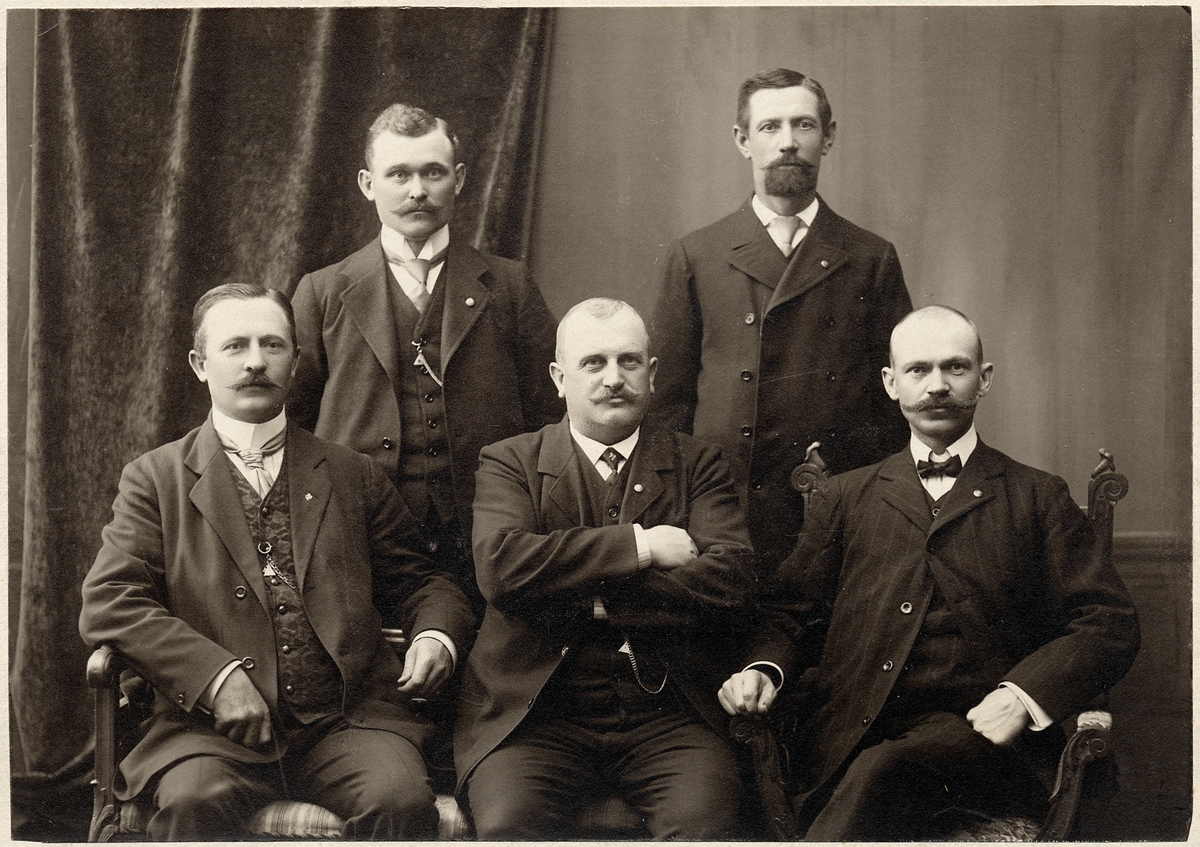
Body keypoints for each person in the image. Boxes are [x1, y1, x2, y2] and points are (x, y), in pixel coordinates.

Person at [718, 305, 1140, 840]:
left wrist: (1023, 695)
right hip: (852, 735)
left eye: (955, 367)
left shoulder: (1038, 496)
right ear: (891, 383)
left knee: (884, 771)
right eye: (918, 369)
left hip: (989, 746)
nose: (937, 385)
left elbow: (1107, 621)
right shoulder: (844, 496)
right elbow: (789, 613)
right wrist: (763, 669)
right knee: (874, 769)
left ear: (984, 379)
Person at [79, 284, 476, 840]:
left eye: (272, 345)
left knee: (399, 801)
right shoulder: (155, 479)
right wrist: (215, 678)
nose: (255, 362)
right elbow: (111, 600)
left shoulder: (352, 473)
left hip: (347, 722)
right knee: (195, 800)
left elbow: (422, 581)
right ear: (199, 364)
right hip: (207, 731)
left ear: (295, 361)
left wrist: (436, 634)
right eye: (235, 346)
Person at [456, 298, 756, 839]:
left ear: (652, 373)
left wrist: (587, 597)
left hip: (668, 718)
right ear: (559, 378)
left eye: (629, 361)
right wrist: (640, 545)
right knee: (509, 824)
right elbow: (501, 568)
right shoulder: (509, 461)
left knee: (704, 826)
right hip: (535, 719)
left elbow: (730, 578)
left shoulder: (699, 463)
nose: (614, 378)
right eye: (593, 363)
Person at [290, 103, 561, 613]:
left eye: (433, 172)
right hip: (360, 533)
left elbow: (550, 417)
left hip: (486, 532)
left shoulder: (509, 285)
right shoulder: (322, 293)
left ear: (459, 179)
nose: (417, 190)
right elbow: (292, 424)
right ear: (368, 184)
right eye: (399, 174)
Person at [651, 68, 913, 574]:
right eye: (770, 127)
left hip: (835, 506)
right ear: (742, 140)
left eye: (804, 125)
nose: (788, 142)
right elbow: (667, 406)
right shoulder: (696, 255)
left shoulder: (871, 257)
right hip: (725, 511)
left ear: (828, 137)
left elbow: (897, 403)